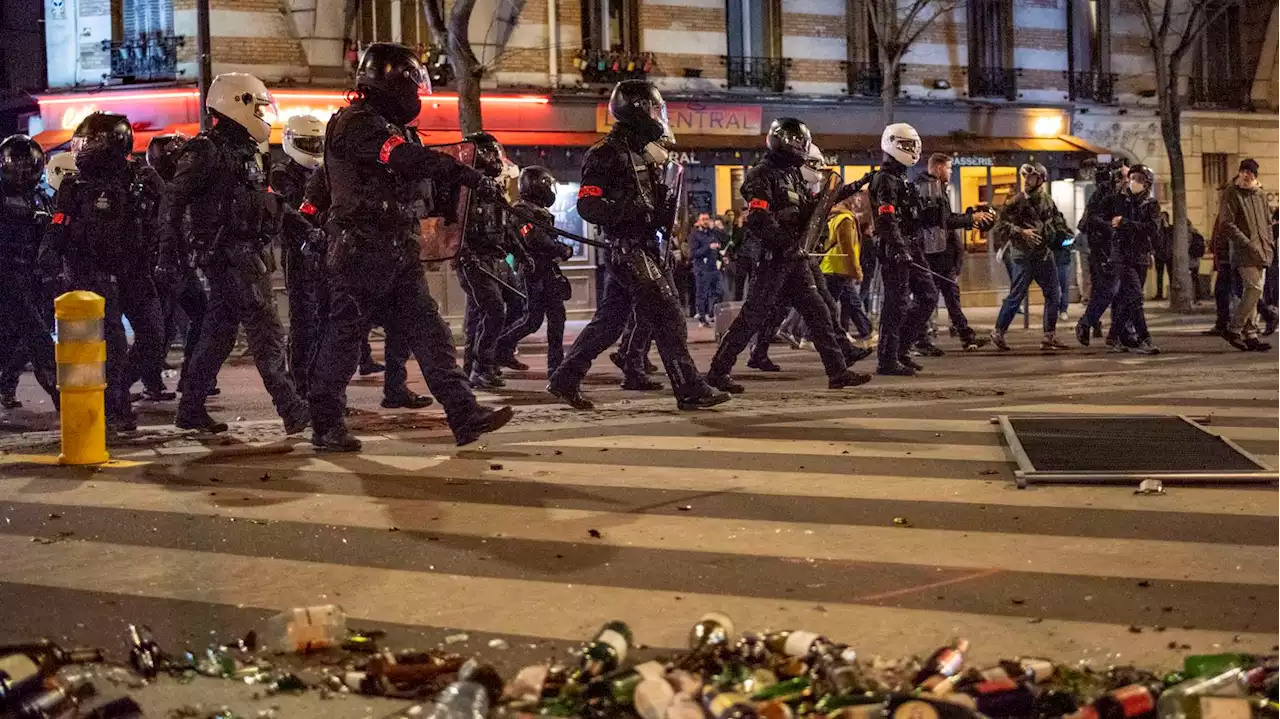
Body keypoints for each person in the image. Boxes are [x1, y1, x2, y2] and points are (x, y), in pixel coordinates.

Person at [306, 43, 512, 449]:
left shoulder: (389, 126)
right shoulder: (357, 124)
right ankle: (326, 425)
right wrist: (464, 174)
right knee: (345, 339)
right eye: (412, 86)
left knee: (431, 335)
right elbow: (405, 160)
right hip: (361, 252)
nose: (416, 96)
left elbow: (421, 183)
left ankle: (464, 414)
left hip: (397, 251)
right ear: (393, 82)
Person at [546, 79, 729, 411]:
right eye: (655, 108)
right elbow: (588, 205)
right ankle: (688, 388)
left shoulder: (640, 152)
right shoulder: (605, 153)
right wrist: (633, 211)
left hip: (642, 247)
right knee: (668, 314)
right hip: (628, 248)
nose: (659, 116)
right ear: (639, 110)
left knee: (609, 324)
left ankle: (565, 378)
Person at [155, 75, 309, 435]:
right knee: (266, 331)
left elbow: (268, 202)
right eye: (256, 106)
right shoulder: (206, 150)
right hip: (229, 254)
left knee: (218, 335)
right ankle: (293, 410)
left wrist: (306, 229)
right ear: (235, 103)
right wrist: (168, 254)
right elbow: (174, 201)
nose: (261, 114)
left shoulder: (244, 152)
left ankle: (190, 409)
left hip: (245, 252)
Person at [703, 118, 871, 394]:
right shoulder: (762, 174)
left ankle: (837, 371)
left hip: (795, 257)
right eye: (796, 141)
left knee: (818, 312)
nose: (800, 146)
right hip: (773, 258)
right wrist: (784, 244)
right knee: (752, 316)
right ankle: (718, 371)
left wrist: (850, 188)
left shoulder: (793, 174)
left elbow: (812, 208)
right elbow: (759, 217)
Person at [40, 113, 167, 431]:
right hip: (91, 273)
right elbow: (58, 224)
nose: (84, 149)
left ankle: (118, 385)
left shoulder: (143, 180)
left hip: (134, 269)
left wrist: (170, 257)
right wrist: (49, 256)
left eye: (93, 142)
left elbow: (167, 219)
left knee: (154, 337)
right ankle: (115, 407)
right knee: (112, 342)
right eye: (83, 142)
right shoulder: (74, 185)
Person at [867, 123, 945, 375]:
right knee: (896, 304)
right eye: (906, 145)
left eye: (913, 145)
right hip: (895, 249)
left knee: (928, 296)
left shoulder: (901, 178)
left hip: (911, 245)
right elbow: (886, 219)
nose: (911, 150)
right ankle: (887, 359)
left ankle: (901, 349)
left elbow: (913, 217)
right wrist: (899, 248)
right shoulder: (885, 179)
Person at [145, 132, 212, 401]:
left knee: (196, 315)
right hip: (162, 263)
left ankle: (190, 378)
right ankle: (139, 382)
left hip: (178, 262)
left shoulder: (179, 184)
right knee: (159, 327)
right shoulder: (154, 185)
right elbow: (165, 226)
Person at [456, 132, 522, 390]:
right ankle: (481, 368)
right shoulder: (464, 190)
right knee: (494, 310)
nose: (496, 158)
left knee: (491, 311)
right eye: (491, 153)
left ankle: (478, 365)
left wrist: (520, 253)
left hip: (495, 259)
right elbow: (452, 227)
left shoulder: (493, 188)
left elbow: (505, 228)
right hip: (474, 260)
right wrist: (465, 254)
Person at [493, 165, 573, 375]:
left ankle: (556, 366)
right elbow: (534, 239)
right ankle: (497, 349)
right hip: (533, 271)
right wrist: (560, 248)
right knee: (532, 320)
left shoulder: (535, 210)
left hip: (546, 269)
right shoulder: (522, 210)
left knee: (557, 317)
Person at [0, 135, 59, 410]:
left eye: (28, 164)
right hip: (7, 276)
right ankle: (65, 397)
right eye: (18, 163)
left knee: (18, 340)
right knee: (39, 340)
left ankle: (6, 385)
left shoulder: (41, 197)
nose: (23, 170)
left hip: (34, 278)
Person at [987, 163, 1071, 352]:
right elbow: (1000, 225)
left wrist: (1065, 235)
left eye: (1031, 177)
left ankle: (1049, 336)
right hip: (1023, 256)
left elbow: (1057, 221)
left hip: (1043, 255)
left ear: (1041, 179)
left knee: (1054, 294)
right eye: (1025, 177)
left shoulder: (1048, 201)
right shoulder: (1016, 201)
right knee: (1016, 295)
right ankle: (998, 332)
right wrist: (1021, 232)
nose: (1027, 181)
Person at [915, 153, 993, 353]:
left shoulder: (935, 188)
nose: (951, 172)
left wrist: (969, 219)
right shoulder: (930, 189)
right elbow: (942, 221)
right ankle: (921, 339)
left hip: (940, 254)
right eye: (949, 168)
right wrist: (970, 218)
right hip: (934, 254)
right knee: (928, 298)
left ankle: (965, 336)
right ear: (939, 168)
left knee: (948, 295)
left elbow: (946, 219)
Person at [1216, 158, 1275, 351]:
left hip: (1263, 251)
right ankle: (1234, 328)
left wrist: (1270, 244)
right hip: (1243, 251)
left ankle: (1251, 334)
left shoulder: (1260, 194)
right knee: (1254, 289)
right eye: (1243, 171)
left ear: (1255, 175)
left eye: (1250, 172)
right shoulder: (1232, 192)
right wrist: (1247, 243)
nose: (1246, 175)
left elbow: (1267, 222)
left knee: (1255, 294)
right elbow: (1226, 223)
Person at [1106, 163, 1161, 355]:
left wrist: (1126, 223)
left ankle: (1113, 337)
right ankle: (1145, 338)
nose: (1133, 182)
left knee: (1127, 299)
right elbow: (1111, 222)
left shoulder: (1151, 204)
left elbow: (1152, 229)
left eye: (1139, 179)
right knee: (1136, 297)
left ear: (1147, 184)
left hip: (1141, 257)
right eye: (1132, 178)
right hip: (1122, 256)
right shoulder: (1120, 200)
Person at [1075, 159, 1130, 348]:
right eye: (1124, 176)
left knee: (1117, 291)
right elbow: (1092, 218)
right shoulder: (1105, 193)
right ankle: (1087, 322)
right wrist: (1112, 228)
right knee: (1109, 289)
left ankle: (1117, 333)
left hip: (1116, 247)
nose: (1127, 180)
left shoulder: (1124, 194)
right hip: (1102, 247)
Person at [819, 195, 871, 338]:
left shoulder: (833, 217)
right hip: (839, 268)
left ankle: (859, 331)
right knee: (828, 306)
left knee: (846, 302)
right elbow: (847, 248)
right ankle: (807, 334)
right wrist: (857, 270)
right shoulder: (846, 219)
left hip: (832, 266)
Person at [690, 213, 723, 327]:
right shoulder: (695, 235)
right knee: (702, 294)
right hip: (702, 269)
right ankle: (702, 317)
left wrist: (721, 256)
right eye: (703, 219)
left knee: (717, 291)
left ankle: (711, 313)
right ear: (698, 221)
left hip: (714, 267)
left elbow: (719, 244)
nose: (706, 221)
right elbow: (694, 253)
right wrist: (708, 247)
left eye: (707, 219)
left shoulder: (712, 234)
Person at [1153, 211, 1174, 301]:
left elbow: (1171, 238)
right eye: (1161, 217)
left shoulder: (1171, 228)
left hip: (1170, 255)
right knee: (1159, 275)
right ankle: (1159, 293)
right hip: (1159, 255)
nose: (1162, 218)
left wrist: (1166, 226)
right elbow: (1156, 238)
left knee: (1171, 275)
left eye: (1164, 217)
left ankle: (1172, 294)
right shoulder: (1157, 229)